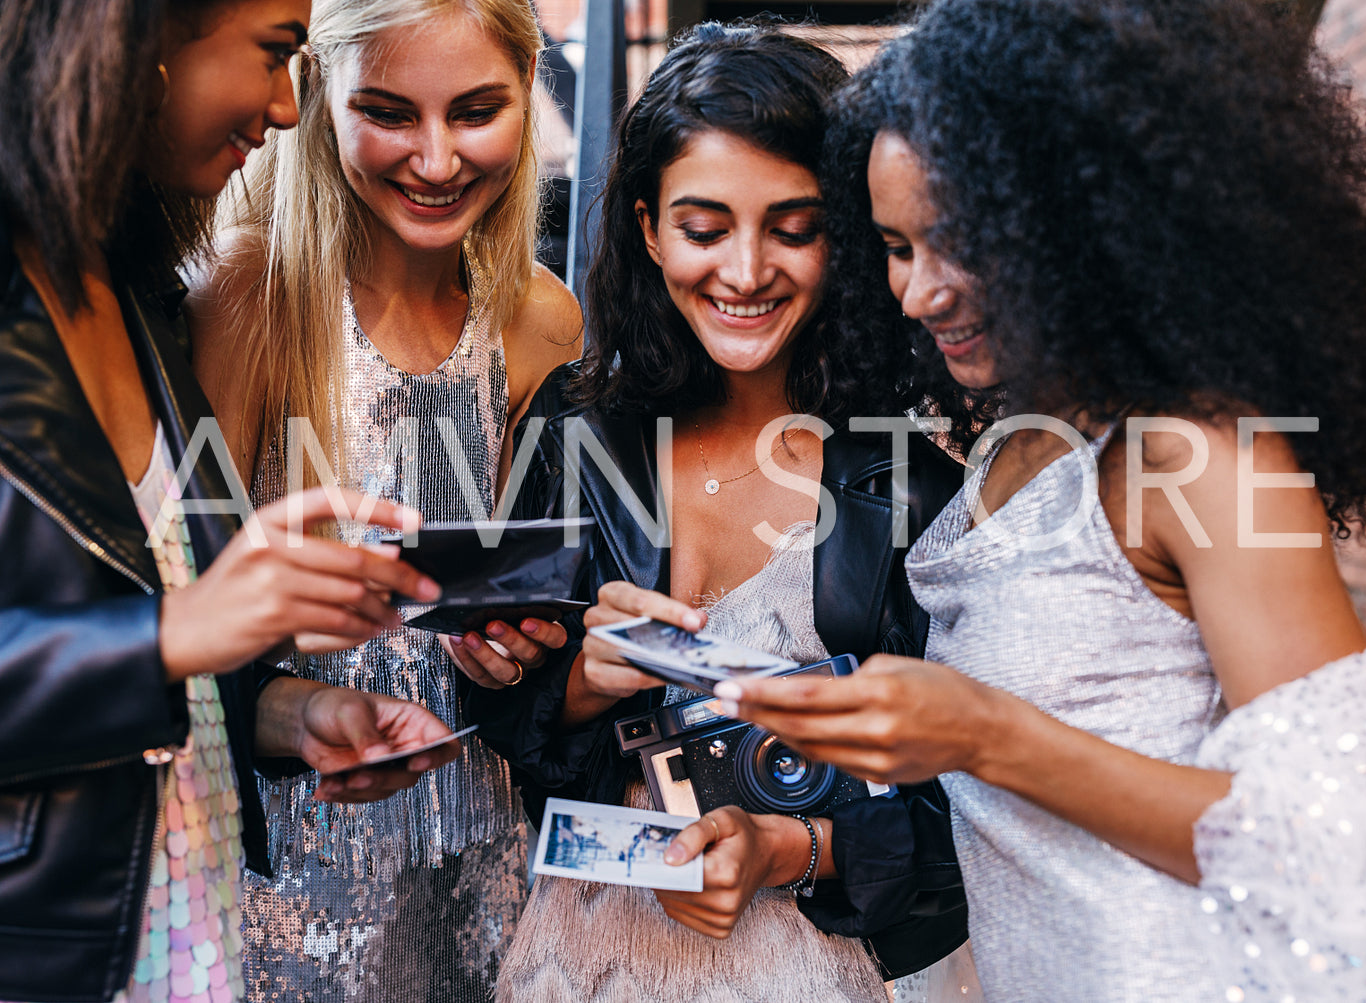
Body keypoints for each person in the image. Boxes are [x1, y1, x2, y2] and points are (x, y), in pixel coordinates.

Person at [720, 1, 1366, 1000]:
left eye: (960, 240)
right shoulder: (1014, 442)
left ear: (1083, 216)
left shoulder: (1195, 456)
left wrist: (987, 734)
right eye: (896, 247)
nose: (916, 292)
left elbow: (1337, 847)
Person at [464, 22, 968, 1003]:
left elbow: (969, 814)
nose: (744, 271)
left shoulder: (908, 486)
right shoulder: (571, 433)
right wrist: (579, 683)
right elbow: (506, 726)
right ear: (648, 228)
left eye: (793, 226)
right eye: (704, 228)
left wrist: (786, 845)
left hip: (803, 972)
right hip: (578, 963)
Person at [0, 1, 473, 1000]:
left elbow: (157, 660)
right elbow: (158, 633)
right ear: (140, 38)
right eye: (272, 53)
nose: (285, 107)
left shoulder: (125, 295)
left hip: (184, 943)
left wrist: (290, 712)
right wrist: (176, 633)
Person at [187, 0, 581, 996]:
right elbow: (192, 628)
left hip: (490, 856)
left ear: (528, 94)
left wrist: (519, 646)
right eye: (390, 112)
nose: (438, 159)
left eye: (476, 110)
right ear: (319, 96)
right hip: (298, 869)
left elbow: (519, 587)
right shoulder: (252, 300)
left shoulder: (538, 319)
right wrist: (300, 712)